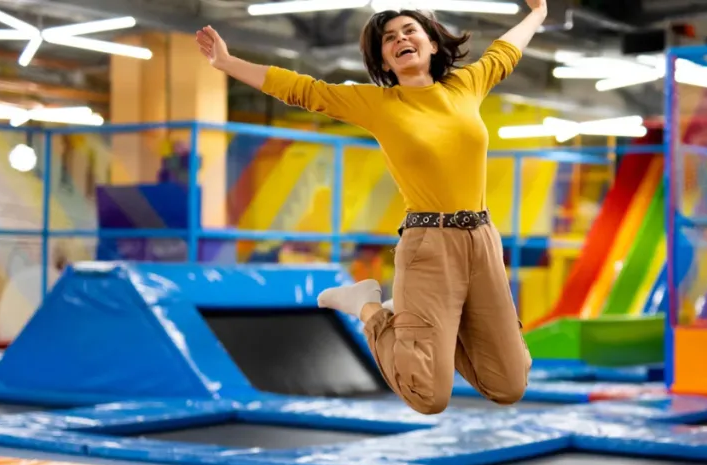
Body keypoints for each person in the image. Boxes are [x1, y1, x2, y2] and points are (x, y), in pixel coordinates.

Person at [196, 1, 547, 415]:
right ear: (384, 59)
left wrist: (537, 14)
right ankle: (367, 306)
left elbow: (505, 51)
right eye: (389, 38)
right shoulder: (379, 104)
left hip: (483, 242)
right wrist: (227, 61)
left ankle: (428, 322)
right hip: (429, 246)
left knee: (508, 384)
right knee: (428, 396)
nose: (400, 39)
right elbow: (302, 89)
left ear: (432, 43)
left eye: (409, 31)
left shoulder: (465, 87)